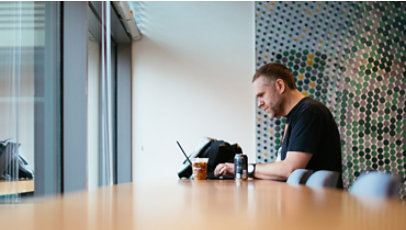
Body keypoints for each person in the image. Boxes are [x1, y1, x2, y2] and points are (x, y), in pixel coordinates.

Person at [214, 62, 343, 187]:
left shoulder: (310, 112)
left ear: (280, 86)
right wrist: (241, 170)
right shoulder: (294, 117)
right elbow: (280, 168)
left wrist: (243, 168)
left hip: (319, 206)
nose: (259, 103)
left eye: (261, 95)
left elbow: (290, 169)